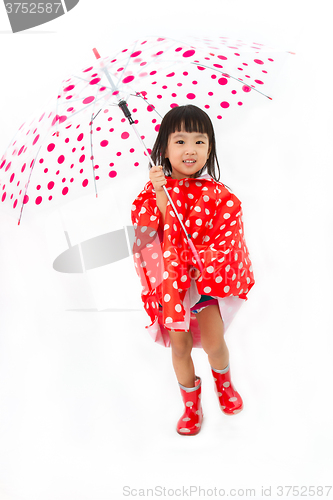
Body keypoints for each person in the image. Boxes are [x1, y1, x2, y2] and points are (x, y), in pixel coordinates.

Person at [131, 105, 254, 435]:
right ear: (164, 149)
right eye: (180, 141)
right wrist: (159, 192)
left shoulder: (219, 195)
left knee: (215, 343)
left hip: (206, 283)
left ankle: (224, 383)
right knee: (180, 347)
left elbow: (229, 235)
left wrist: (207, 260)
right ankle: (190, 404)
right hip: (172, 285)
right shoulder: (153, 192)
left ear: (210, 147)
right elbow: (146, 234)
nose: (190, 150)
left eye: (200, 142)